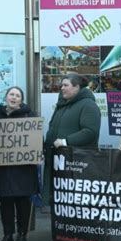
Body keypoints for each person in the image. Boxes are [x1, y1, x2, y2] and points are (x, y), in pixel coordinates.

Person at [0, 87, 39, 241]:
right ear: (6, 97)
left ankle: (22, 235)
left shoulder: (30, 116)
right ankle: (8, 235)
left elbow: (38, 140)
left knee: (23, 203)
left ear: (21, 99)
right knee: (5, 204)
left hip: (23, 170)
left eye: (17, 95)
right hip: (2, 170)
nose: (14, 97)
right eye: (11, 94)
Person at [43, 73, 101, 205]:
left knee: (74, 203)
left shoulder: (88, 105)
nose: (62, 88)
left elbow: (90, 132)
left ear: (77, 87)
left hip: (76, 164)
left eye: (65, 85)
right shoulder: (62, 105)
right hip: (60, 162)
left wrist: (65, 141)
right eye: (61, 85)